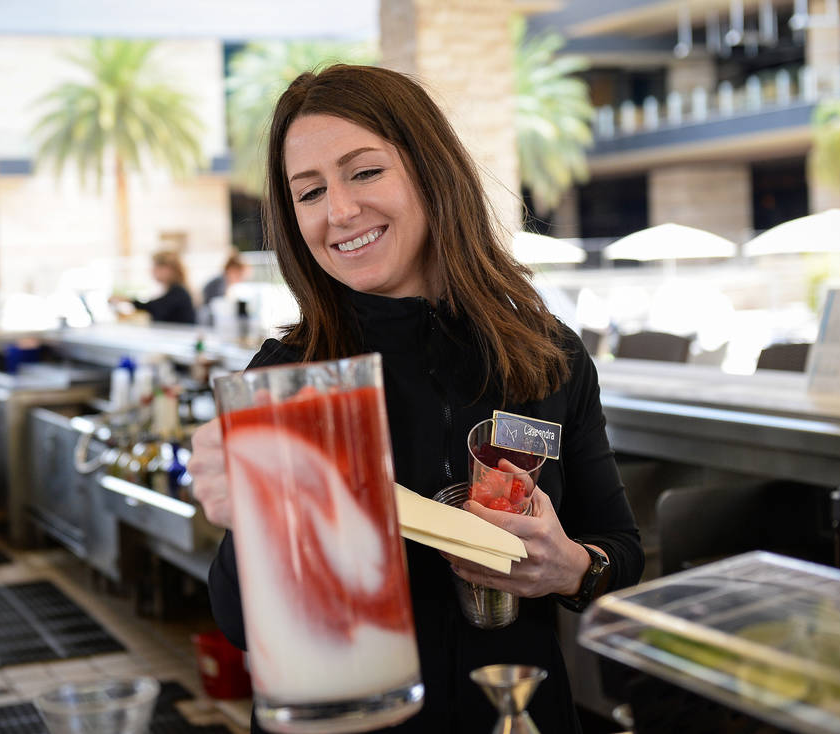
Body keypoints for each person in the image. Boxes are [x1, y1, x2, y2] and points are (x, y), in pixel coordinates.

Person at [188, 64, 644, 733]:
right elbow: (239, 623)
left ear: (432, 172)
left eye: (365, 172)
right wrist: (252, 522)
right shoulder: (292, 376)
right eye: (309, 192)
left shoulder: (549, 355)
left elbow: (620, 551)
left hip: (514, 713)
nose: (340, 210)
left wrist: (569, 565)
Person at [111, 250, 196, 324]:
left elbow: (154, 306)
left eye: (156, 267)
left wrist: (127, 300)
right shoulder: (172, 290)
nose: (152, 271)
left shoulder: (179, 292)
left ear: (168, 269)